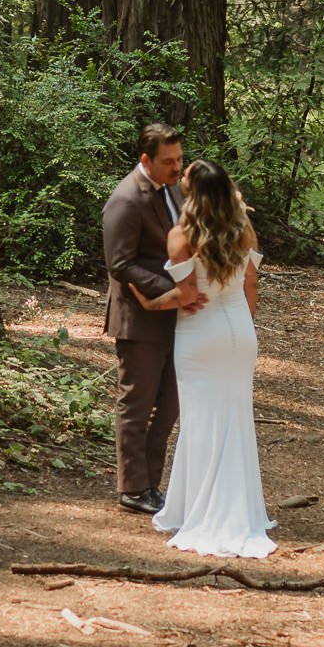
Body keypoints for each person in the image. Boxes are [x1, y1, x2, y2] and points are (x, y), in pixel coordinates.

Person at [132, 158, 276, 560]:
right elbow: (250, 285)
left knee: (199, 420)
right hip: (238, 330)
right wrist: (242, 326)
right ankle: (239, 509)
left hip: (200, 334)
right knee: (235, 420)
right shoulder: (244, 230)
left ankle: (203, 510)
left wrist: (148, 300)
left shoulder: (180, 236)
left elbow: (187, 296)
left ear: (191, 193)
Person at [101, 124, 201, 514]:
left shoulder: (172, 187)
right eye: (168, 161)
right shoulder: (126, 199)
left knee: (171, 401)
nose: (177, 167)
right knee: (137, 402)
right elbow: (120, 263)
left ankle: (152, 485)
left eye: (179, 159)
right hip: (139, 317)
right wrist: (174, 287)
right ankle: (132, 488)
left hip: (176, 316)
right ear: (146, 160)